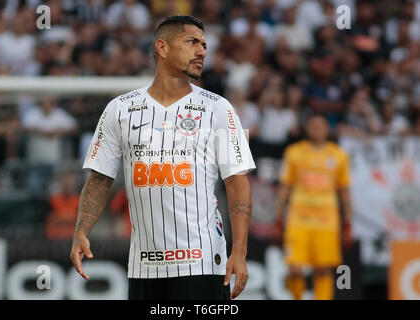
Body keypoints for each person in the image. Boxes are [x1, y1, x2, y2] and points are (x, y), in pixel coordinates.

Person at [70, 15, 256, 300]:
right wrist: (82, 230)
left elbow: (237, 182)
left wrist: (239, 252)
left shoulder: (218, 109)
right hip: (143, 267)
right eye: (192, 42)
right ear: (162, 47)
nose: (202, 51)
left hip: (202, 261)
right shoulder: (119, 109)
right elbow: (99, 177)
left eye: (205, 45)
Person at [273, 113, 353, 300]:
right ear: (307, 129)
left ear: (327, 129)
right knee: (294, 267)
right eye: (313, 125)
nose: (317, 129)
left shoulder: (339, 155)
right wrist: (278, 217)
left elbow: (344, 192)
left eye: (320, 125)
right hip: (298, 218)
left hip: (327, 220)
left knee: (323, 268)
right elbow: (285, 188)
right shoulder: (294, 152)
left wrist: (348, 222)